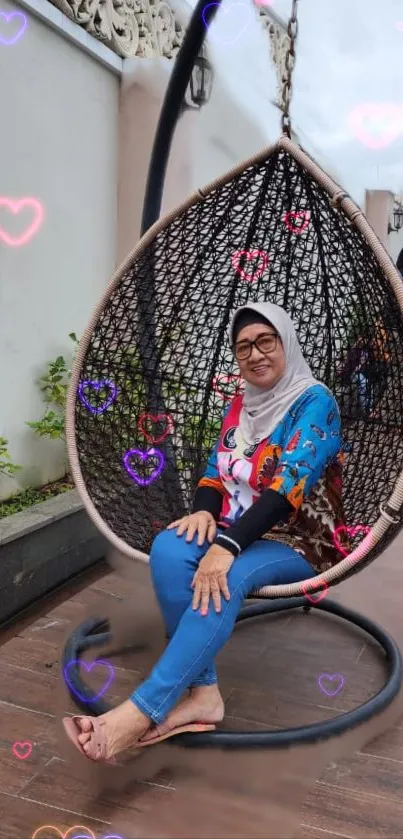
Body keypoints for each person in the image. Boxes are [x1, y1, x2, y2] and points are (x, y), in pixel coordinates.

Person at [63, 301, 348, 763]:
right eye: (243, 348)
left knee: (227, 576)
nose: (255, 355)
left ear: (286, 342)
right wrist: (204, 513)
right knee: (171, 550)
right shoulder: (242, 401)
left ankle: (139, 712)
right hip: (236, 530)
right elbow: (216, 472)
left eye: (265, 341)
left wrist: (225, 546)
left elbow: (283, 493)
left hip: (298, 540)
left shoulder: (315, 403)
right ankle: (204, 694)